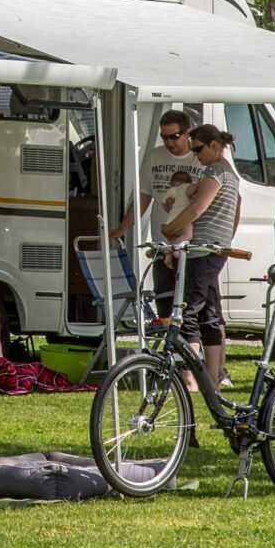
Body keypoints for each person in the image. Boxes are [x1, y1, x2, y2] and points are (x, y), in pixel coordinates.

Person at [167, 123, 245, 396]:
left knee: (188, 311)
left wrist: (171, 229)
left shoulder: (214, 172)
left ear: (214, 145)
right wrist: (226, 240)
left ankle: (189, 378)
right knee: (210, 314)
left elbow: (197, 209)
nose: (196, 155)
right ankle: (212, 381)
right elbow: (237, 207)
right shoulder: (230, 173)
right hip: (215, 250)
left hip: (202, 251)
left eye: (198, 149)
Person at [111, 108, 197, 320]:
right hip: (161, 243)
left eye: (174, 136)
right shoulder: (154, 156)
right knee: (164, 301)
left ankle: (189, 340)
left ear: (188, 132)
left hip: (192, 245)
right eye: (164, 137)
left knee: (191, 304)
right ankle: (167, 340)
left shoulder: (199, 157)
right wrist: (123, 228)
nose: (169, 142)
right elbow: (143, 197)